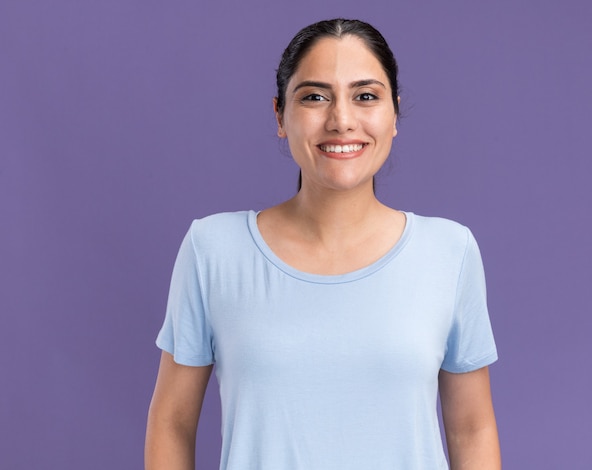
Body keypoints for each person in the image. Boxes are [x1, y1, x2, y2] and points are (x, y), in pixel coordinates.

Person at [145, 18, 500, 470]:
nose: (341, 120)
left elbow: (472, 428)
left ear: (394, 114)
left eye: (365, 96)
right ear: (279, 116)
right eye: (314, 97)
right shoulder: (213, 249)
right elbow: (172, 421)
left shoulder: (450, 252)